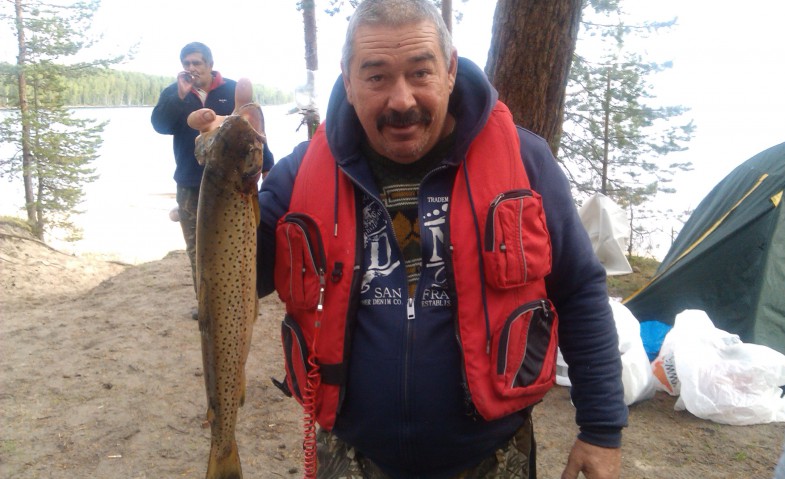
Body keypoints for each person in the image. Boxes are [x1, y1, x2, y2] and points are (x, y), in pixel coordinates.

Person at [190, 1, 627, 477]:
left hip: (493, 455)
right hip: (354, 455)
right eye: (376, 77)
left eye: (420, 72)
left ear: (450, 70)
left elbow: (579, 289)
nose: (401, 100)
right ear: (348, 81)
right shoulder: (301, 173)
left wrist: (601, 428)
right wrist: (223, 177)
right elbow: (239, 281)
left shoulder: (525, 160)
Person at [151, 42, 274, 319]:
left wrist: (268, 166)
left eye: (196, 63)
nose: (191, 68)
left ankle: (244, 298)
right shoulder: (174, 93)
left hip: (230, 184)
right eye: (186, 63)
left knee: (239, 244)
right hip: (189, 183)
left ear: (209, 64)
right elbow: (160, 125)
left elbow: (254, 132)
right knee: (198, 248)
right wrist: (179, 96)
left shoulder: (231, 89)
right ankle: (206, 304)